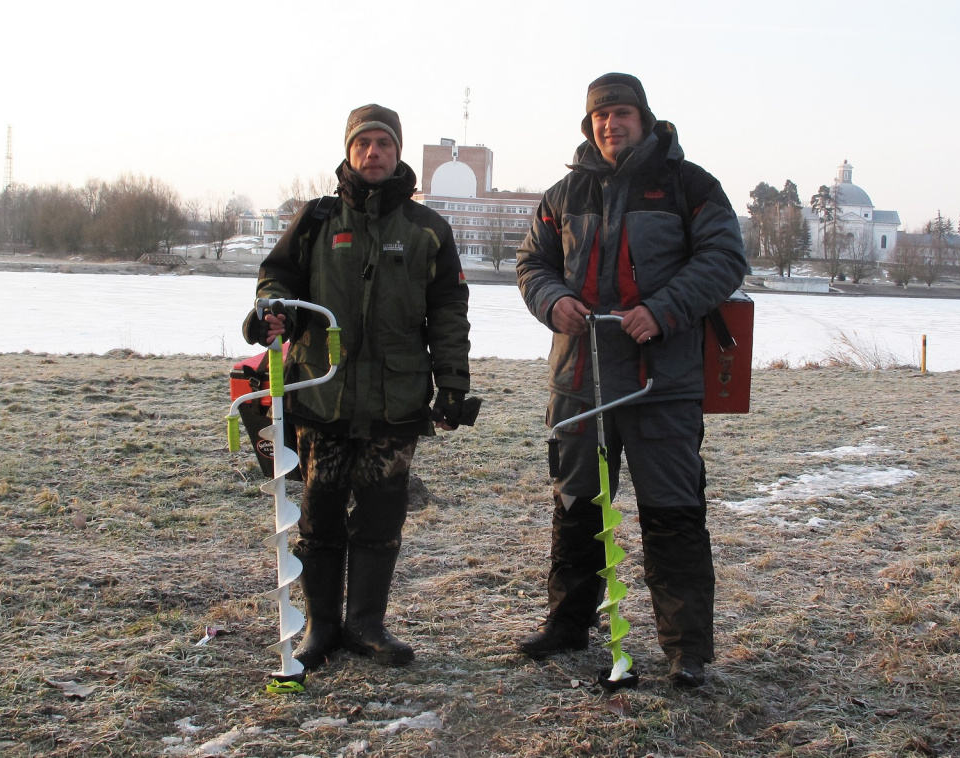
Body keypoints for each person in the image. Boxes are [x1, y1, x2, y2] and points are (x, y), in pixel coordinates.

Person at [515, 73, 748, 687]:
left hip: (660, 384)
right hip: (579, 381)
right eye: (599, 117)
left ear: (643, 117)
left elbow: (724, 259)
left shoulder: (690, 185)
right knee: (576, 510)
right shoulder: (563, 194)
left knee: (673, 515)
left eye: (620, 113)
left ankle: (687, 651)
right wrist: (552, 300)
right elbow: (530, 263)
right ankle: (569, 625)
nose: (609, 125)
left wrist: (663, 309)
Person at [242, 104, 472, 669]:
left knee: (380, 519)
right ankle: (321, 628)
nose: (374, 154)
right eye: (364, 144)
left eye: (385, 145)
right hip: (323, 397)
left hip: (396, 402)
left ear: (398, 154)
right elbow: (278, 284)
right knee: (319, 518)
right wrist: (273, 314)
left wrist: (453, 385)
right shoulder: (317, 220)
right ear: (349, 152)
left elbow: (448, 313)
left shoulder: (427, 230)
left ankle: (367, 625)